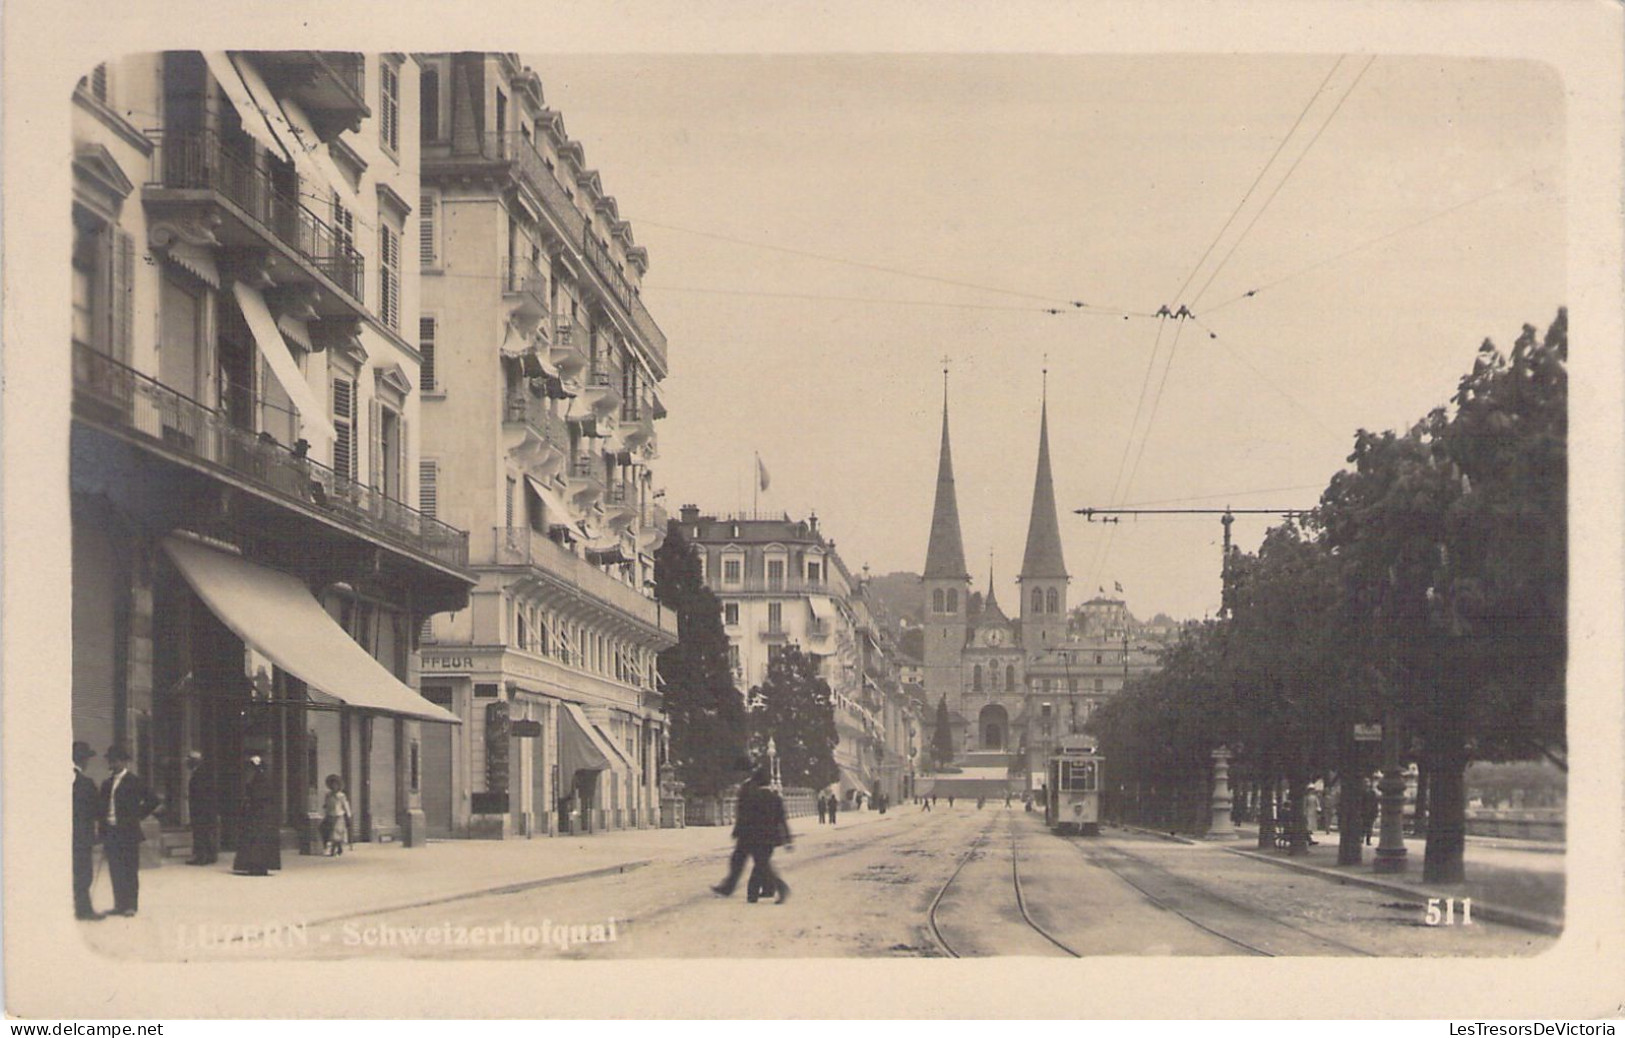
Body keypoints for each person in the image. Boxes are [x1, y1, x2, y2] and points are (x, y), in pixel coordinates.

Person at [711, 760, 792, 904]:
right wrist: (787, 840)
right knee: (758, 863)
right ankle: (757, 892)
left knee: (760, 864)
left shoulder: (753, 793)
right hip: (764, 837)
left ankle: (772, 889)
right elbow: (782, 820)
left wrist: (738, 831)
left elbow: (745, 815)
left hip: (750, 835)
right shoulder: (774, 797)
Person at [99, 744, 161, 916]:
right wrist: (102, 831)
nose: (113, 763)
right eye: (111, 760)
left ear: (124, 761)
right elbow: (102, 809)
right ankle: (119, 905)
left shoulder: (134, 781)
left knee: (129, 870)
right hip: (111, 832)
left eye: (117, 760)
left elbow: (153, 800)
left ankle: (130, 906)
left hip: (128, 832)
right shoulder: (107, 783)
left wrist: (137, 816)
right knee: (115, 870)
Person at [233, 751, 281, 876]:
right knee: (257, 840)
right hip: (260, 815)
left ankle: (257, 865)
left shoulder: (261, 779)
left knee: (257, 840)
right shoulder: (261, 778)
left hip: (260, 815)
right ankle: (256, 865)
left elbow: (260, 797)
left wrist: (250, 802)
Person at [73, 741, 102, 920]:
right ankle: (83, 910)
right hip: (82, 837)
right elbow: (97, 811)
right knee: (83, 874)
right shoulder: (86, 783)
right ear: (83, 760)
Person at [185, 750, 219, 866]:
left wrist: (200, 810)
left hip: (201, 810)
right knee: (206, 832)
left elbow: (201, 794)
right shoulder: (203, 773)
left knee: (201, 832)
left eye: (189, 760)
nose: (186, 763)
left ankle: (202, 857)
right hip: (205, 809)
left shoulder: (200, 775)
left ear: (194, 762)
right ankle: (210, 855)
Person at [322, 774, 352, 856]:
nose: (333, 786)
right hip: (330, 815)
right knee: (327, 831)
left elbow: (345, 805)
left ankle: (333, 850)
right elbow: (326, 804)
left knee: (336, 833)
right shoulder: (328, 795)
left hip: (339, 816)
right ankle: (338, 848)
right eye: (332, 784)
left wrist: (348, 816)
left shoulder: (341, 795)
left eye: (335, 784)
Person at [1362, 778, 1381, 846]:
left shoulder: (1372, 793)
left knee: (1369, 827)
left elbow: (1375, 803)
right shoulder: (1362, 793)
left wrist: (1375, 812)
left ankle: (1367, 840)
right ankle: (1362, 838)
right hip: (1363, 813)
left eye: (1367, 782)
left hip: (1370, 813)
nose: (1367, 784)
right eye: (1365, 782)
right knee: (1363, 827)